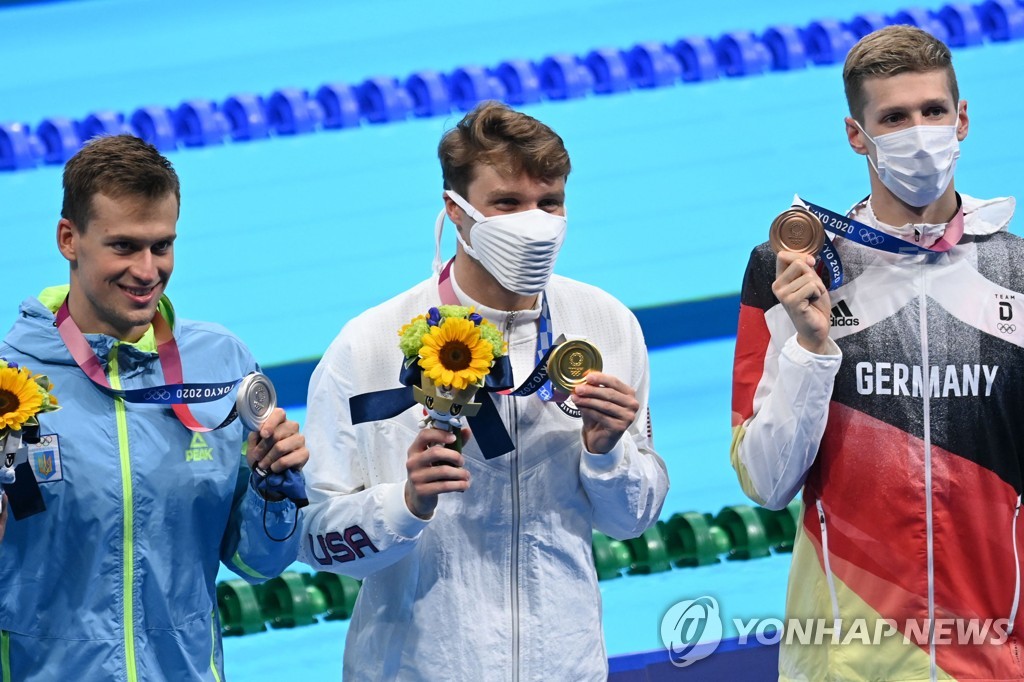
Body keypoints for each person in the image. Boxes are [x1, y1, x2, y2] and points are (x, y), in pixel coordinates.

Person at [300, 100, 668, 680]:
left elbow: (634, 520)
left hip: (566, 667)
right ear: (457, 210)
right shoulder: (368, 347)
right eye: (508, 204)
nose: (535, 222)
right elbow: (314, 538)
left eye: (550, 203)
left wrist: (608, 454)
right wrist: (406, 503)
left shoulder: (605, 324)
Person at [731, 25, 1023, 681]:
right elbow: (767, 482)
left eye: (933, 111)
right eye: (893, 118)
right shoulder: (793, 270)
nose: (919, 133)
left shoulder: (1018, 271)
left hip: (994, 661)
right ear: (856, 135)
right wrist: (812, 346)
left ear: (963, 119)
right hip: (845, 663)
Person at [0, 134, 308, 680]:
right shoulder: (9, 383)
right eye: (123, 246)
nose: (147, 271)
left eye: (161, 246)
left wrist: (275, 489)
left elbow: (258, 564)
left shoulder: (222, 363)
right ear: (68, 239)